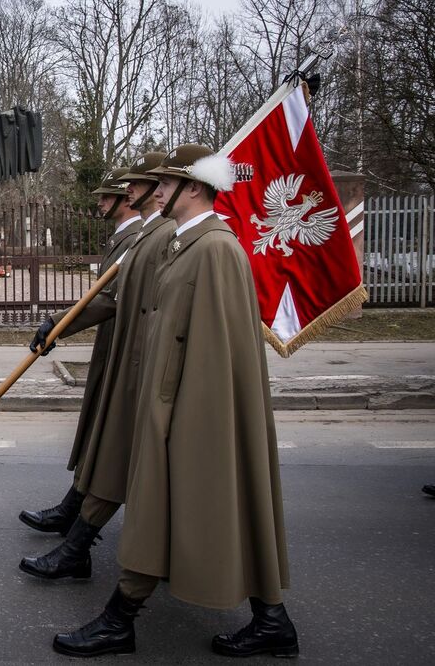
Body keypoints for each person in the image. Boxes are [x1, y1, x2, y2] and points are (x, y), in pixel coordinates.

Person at [52, 145, 297, 658]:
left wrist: (180, 416)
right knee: (186, 511)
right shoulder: (184, 244)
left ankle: (122, 620)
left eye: (167, 183)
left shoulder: (216, 250)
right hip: (165, 404)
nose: (155, 190)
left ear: (196, 188)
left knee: (197, 509)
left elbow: (215, 352)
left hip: (188, 411)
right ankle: (271, 619)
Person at [19, 152, 175, 580]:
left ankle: (81, 544)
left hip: (140, 359)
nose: (114, 198)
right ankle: (75, 531)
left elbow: (115, 301)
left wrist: (59, 326)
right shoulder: (140, 235)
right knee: (104, 444)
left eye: (127, 189)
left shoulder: (154, 236)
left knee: (114, 450)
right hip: (121, 350)